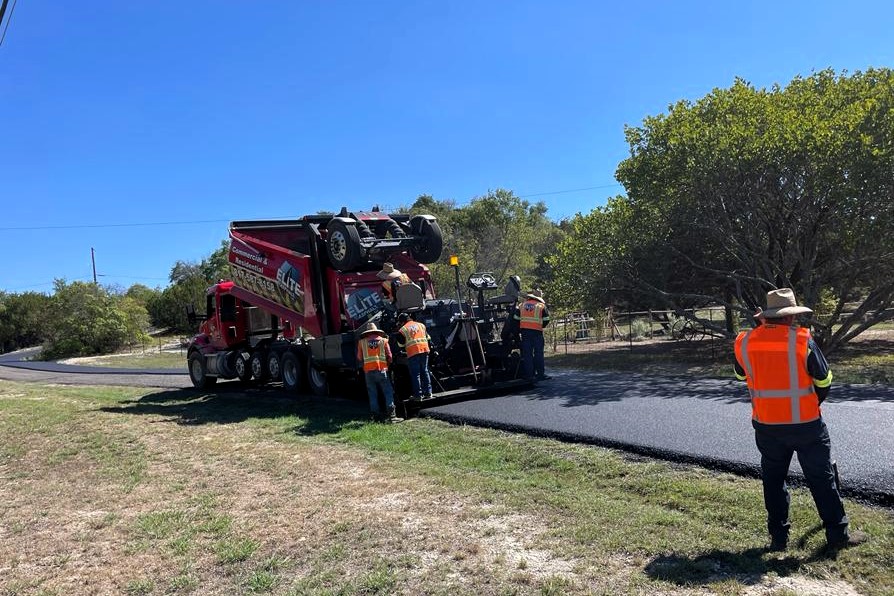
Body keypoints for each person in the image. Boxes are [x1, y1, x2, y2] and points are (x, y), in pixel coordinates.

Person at [734, 288, 867, 552]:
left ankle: (778, 539)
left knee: (773, 480)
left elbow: (740, 376)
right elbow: (824, 380)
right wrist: (812, 402)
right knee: (821, 478)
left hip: (767, 426)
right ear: (789, 317)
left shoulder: (744, 342)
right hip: (806, 425)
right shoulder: (802, 340)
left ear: (765, 317)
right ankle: (837, 535)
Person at [356, 323, 401, 422]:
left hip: (368, 371)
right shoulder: (384, 340)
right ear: (376, 331)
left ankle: (375, 417)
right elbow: (389, 356)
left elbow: (359, 357)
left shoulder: (362, 342)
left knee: (372, 393)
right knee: (387, 391)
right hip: (381, 370)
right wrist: (388, 364)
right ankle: (392, 416)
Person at [514, 288, 550, 381]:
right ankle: (540, 375)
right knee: (538, 353)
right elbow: (546, 320)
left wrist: (520, 329)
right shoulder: (541, 306)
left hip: (525, 332)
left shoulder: (521, 305)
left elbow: (516, 318)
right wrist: (540, 326)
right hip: (537, 332)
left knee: (527, 354)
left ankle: (529, 375)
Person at [397, 312, 432, 400]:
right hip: (424, 349)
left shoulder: (403, 329)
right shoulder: (421, 325)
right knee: (425, 371)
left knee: (415, 374)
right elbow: (428, 338)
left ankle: (418, 395)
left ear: (401, 322)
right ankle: (428, 393)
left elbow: (401, 345)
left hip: (413, 352)